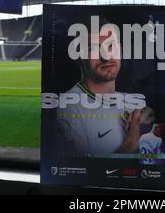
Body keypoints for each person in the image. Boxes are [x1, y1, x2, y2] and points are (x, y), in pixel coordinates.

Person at [55, 18, 155, 155]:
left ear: (119, 49)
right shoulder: (70, 106)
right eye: (94, 49)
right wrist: (131, 144)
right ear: (79, 56)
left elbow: (152, 163)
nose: (106, 56)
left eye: (110, 46)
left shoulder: (133, 103)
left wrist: (151, 132)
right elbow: (81, 171)